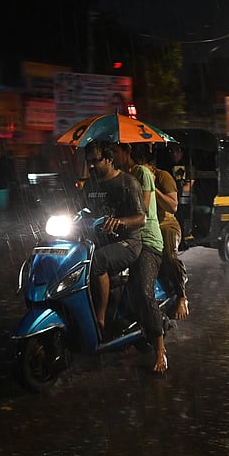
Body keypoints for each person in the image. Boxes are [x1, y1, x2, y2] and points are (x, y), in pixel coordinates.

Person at [82, 142, 147, 352]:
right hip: (99, 240)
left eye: (95, 161)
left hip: (128, 243)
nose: (91, 166)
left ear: (109, 159)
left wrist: (120, 222)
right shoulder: (90, 184)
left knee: (98, 261)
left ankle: (99, 320)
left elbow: (141, 218)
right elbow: (80, 209)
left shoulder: (128, 183)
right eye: (88, 161)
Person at [114, 142, 170, 373]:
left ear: (126, 151)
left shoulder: (142, 173)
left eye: (115, 152)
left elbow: (143, 209)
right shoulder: (122, 176)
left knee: (145, 292)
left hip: (147, 241)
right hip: (128, 238)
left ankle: (160, 350)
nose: (113, 157)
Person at [132, 143, 189, 320]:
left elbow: (173, 206)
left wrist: (151, 188)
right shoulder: (132, 177)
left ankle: (182, 296)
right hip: (145, 226)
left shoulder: (163, 177)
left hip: (166, 225)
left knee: (170, 257)